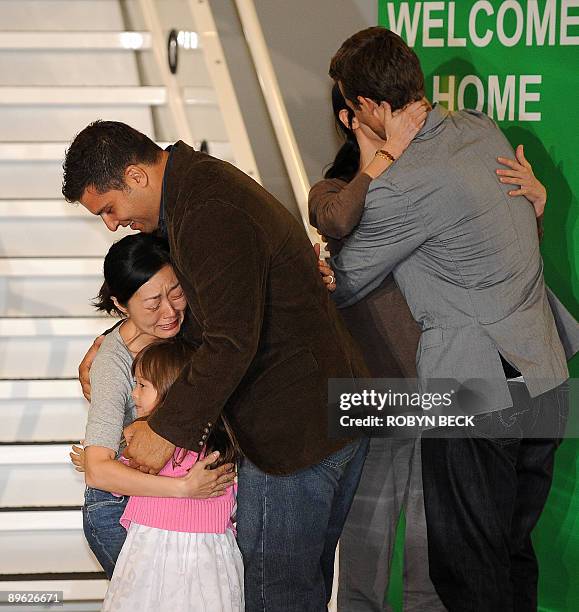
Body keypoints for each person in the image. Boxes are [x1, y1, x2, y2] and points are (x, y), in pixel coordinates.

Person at [61, 121, 375, 611]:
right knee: (300, 592)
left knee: (276, 598)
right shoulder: (197, 194)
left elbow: (229, 340)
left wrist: (162, 428)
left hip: (293, 437)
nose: (111, 223)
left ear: (135, 176)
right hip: (321, 420)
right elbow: (192, 313)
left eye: (108, 208)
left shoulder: (206, 209)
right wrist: (116, 340)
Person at [328, 27, 579, 612]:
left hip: (478, 391)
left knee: (468, 573)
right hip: (545, 376)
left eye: (349, 104)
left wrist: (374, 168)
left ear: (367, 107)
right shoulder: (479, 128)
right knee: (512, 557)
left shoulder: (403, 185)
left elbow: (342, 284)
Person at [72, 233, 236, 578]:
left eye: (175, 292)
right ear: (121, 305)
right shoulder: (112, 363)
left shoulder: (193, 327)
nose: (170, 311)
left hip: (185, 505)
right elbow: (98, 470)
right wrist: (183, 488)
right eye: (151, 304)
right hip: (121, 509)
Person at [102, 338, 243, 611]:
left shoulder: (149, 448)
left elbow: (118, 484)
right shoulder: (216, 444)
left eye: (142, 385)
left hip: (154, 556)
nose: (134, 395)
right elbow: (234, 501)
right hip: (209, 557)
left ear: (170, 391)